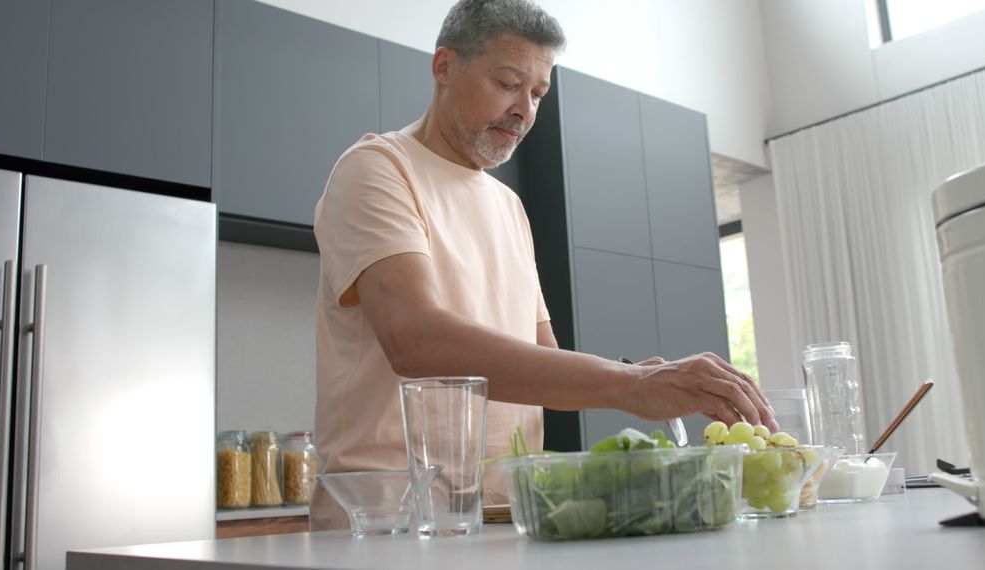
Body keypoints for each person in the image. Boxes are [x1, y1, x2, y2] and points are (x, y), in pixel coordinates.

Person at [310, 0, 777, 530]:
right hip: (387, 521)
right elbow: (416, 340)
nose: (525, 111)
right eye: (508, 84)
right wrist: (629, 388)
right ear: (444, 66)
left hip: (505, 515)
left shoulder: (508, 206)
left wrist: (635, 373)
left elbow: (541, 360)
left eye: (536, 94)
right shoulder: (378, 169)